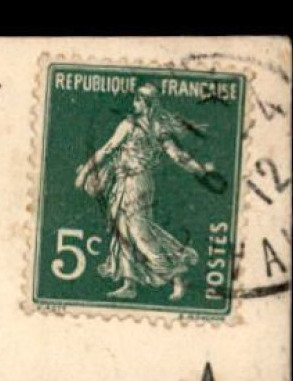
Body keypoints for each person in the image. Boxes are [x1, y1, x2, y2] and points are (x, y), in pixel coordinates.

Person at [74, 82, 219, 302]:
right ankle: (129, 283)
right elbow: (110, 148)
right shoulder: (143, 125)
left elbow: (109, 148)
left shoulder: (142, 126)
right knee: (122, 231)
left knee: (141, 234)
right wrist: (200, 170)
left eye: (138, 100)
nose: (134, 104)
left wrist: (84, 172)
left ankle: (177, 277)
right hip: (123, 182)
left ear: (146, 103)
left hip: (137, 183)